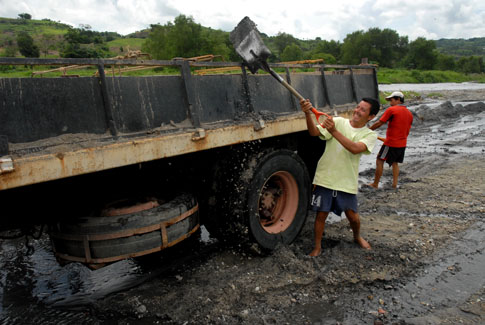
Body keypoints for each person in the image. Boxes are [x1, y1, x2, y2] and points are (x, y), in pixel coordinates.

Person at [300, 97, 380, 257]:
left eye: (363, 110)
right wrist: (308, 114)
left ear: (371, 117)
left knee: (353, 216)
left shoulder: (370, 135)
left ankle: (357, 236)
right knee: (321, 215)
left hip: (346, 181)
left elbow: (355, 148)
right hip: (325, 178)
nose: (357, 111)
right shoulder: (338, 121)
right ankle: (317, 247)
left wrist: (333, 132)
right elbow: (314, 132)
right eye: (358, 107)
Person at [366, 91, 413, 189]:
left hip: (391, 143)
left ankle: (375, 184)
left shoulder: (392, 110)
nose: (390, 102)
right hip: (402, 143)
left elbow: (379, 123)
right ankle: (394, 184)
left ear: (398, 100)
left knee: (379, 160)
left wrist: (368, 130)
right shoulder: (409, 113)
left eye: (391, 100)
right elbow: (405, 130)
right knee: (395, 162)